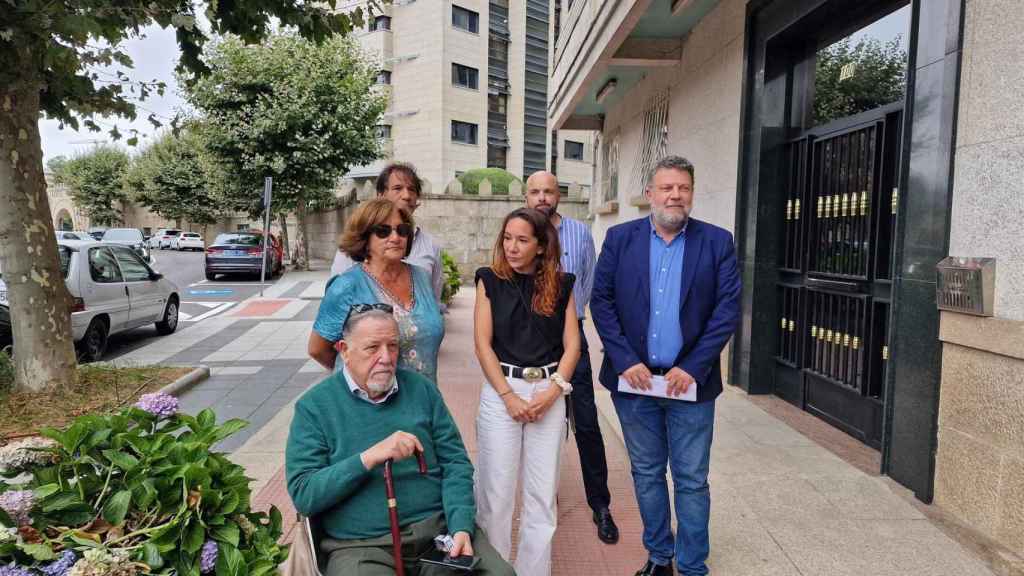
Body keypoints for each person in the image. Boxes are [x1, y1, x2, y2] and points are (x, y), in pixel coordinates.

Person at [591, 156, 741, 576]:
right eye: (667, 188)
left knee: (692, 479)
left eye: (684, 188)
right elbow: (601, 302)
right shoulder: (620, 239)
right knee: (646, 472)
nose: (675, 195)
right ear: (651, 194)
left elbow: (726, 310)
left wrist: (693, 366)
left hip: (688, 385)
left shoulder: (717, 242)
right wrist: (625, 360)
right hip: (635, 384)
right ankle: (660, 557)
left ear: (692, 193)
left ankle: (692, 566)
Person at [287, 307, 514, 576]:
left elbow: (456, 464)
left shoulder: (421, 390)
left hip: (439, 537)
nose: (386, 357)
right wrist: (368, 458)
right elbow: (304, 494)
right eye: (372, 347)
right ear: (344, 350)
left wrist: (461, 526)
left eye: (392, 346)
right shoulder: (315, 407)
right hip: (362, 546)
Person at [473, 208, 581, 576]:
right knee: (495, 494)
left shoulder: (563, 284)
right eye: (507, 238)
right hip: (501, 391)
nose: (512, 247)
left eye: (522, 240)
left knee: (540, 497)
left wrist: (553, 393)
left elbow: (573, 346)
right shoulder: (489, 280)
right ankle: (495, 570)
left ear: (540, 246)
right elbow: (482, 345)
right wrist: (508, 397)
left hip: (548, 391)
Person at [523, 171, 619, 544]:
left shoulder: (580, 233)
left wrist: (573, 320)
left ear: (558, 194)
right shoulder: (518, 230)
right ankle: (543, 498)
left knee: (587, 423)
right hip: (529, 340)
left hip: (571, 337)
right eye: (535, 192)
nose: (542, 198)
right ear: (526, 195)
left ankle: (601, 504)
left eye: (548, 191)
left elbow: (589, 284)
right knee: (540, 421)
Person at [309, 198, 444, 382]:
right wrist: (357, 373)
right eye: (383, 231)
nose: (395, 238)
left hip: (422, 401)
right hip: (369, 404)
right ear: (364, 238)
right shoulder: (346, 286)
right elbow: (318, 349)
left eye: (402, 230)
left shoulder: (421, 277)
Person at [333, 162, 444, 304]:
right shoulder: (357, 242)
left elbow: (433, 301)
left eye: (412, 190)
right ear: (380, 195)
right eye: (397, 188)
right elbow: (337, 301)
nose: (406, 196)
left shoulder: (431, 246)